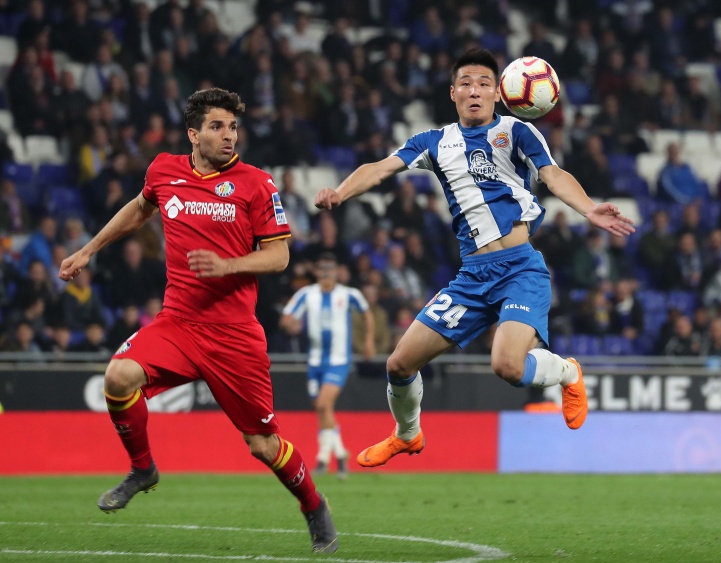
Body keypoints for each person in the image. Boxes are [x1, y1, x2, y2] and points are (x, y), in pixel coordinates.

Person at [313, 48, 635, 468]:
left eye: (484, 83)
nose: (475, 90)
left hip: (520, 269)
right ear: (453, 93)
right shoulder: (433, 142)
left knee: (507, 366)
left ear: (499, 93)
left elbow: (552, 174)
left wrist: (588, 208)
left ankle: (567, 372)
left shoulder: (516, 132)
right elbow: (379, 168)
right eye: (466, 83)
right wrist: (340, 192)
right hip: (473, 277)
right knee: (399, 364)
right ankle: (407, 435)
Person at [58, 88, 338, 554]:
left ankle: (313, 504)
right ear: (193, 134)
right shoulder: (163, 170)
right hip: (179, 323)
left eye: (233, 127)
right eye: (217, 126)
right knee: (119, 376)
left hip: (234, 334)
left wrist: (228, 265)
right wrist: (88, 250)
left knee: (263, 445)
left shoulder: (257, 184)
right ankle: (143, 469)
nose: (229, 136)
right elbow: (139, 209)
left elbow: (279, 256)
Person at [280, 253, 375, 479]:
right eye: (322, 268)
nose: (326, 273)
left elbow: (367, 313)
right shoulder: (306, 294)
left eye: (330, 268)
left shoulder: (349, 294)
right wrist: (289, 324)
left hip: (338, 360)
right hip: (314, 361)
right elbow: (286, 318)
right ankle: (335, 455)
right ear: (316, 271)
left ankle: (329, 456)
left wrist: (369, 341)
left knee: (324, 403)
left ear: (337, 271)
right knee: (323, 409)